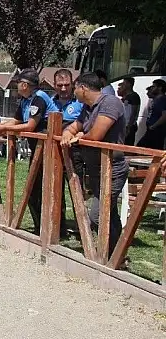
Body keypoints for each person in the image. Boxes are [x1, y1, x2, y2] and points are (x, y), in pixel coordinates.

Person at [60, 72, 126, 258]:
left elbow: (96, 134)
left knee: (98, 215)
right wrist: (68, 133)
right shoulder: (88, 108)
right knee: (109, 214)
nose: (74, 92)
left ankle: (111, 254)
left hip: (112, 169)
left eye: (75, 88)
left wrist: (79, 137)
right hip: (97, 170)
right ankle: (115, 256)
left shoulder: (110, 103)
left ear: (83, 88)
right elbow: (75, 126)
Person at [0, 68, 59, 235]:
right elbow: (17, 120)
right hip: (37, 148)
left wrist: (4, 128)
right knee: (33, 189)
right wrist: (1, 126)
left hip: (48, 149)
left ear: (25, 85)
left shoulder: (39, 99)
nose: (16, 86)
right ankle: (40, 227)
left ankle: (47, 228)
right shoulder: (26, 100)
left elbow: (30, 126)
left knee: (40, 189)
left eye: (18, 83)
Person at [52, 69, 85, 237]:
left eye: (67, 85)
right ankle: (59, 227)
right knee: (56, 192)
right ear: (54, 85)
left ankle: (83, 230)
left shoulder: (81, 103)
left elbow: (86, 125)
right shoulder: (50, 103)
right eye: (60, 85)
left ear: (72, 85)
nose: (63, 89)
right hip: (54, 154)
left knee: (77, 191)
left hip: (74, 153)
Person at [137, 79, 166, 149]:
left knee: (142, 147)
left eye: (154, 86)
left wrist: (154, 126)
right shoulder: (156, 99)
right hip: (151, 129)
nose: (152, 88)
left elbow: (164, 115)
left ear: (160, 88)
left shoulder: (162, 99)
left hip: (157, 131)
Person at [117, 77, 141, 146]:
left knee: (128, 145)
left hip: (129, 126)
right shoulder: (125, 97)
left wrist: (129, 126)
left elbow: (133, 112)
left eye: (124, 84)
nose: (122, 85)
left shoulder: (134, 96)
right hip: (123, 125)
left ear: (129, 84)